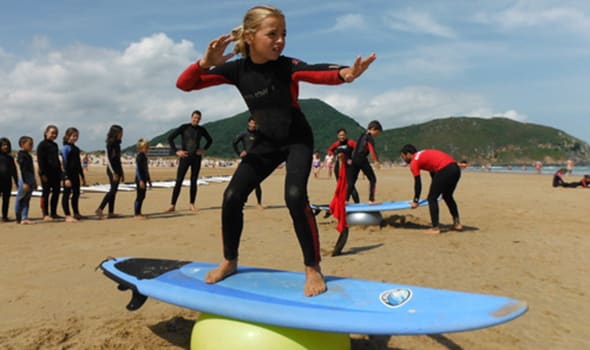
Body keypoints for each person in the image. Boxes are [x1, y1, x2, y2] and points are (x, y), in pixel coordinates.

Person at [176, 5, 375, 296]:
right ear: (250, 36)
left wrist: (345, 73)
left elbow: (315, 70)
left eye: (283, 34)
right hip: (266, 142)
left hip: (297, 138)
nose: (280, 40)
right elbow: (185, 84)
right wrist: (204, 62)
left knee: (294, 197)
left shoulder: (285, 66)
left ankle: (312, 268)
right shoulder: (236, 69)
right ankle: (230, 261)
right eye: (273, 34)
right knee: (232, 196)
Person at [400, 144, 463, 235]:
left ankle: (435, 228)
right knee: (447, 196)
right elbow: (433, 172)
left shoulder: (414, 161)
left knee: (432, 199)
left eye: (403, 157)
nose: (403, 159)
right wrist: (436, 189)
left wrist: (415, 200)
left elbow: (418, 183)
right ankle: (457, 224)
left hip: (444, 169)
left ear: (409, 154)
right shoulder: (422, 154)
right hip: (455, 168)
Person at [167, 110, 213, 212]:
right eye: (195, 117)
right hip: (185, 157)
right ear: (191, 117)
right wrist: (176, 151)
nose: (196, 119)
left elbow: (210, 140)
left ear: (200, 119)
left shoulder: (201, 129)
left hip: (196, 158)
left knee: (193, 181)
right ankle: (172, 205)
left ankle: (192, 204)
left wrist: (203, 149)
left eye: (198, 118)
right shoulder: (184, 127)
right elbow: (170, 138)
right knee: (179, 181)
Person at [232, 116, 263, 208]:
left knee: (257, 182)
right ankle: (243, 201)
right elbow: (234, 143)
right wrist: (239, 153)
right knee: (244, 181)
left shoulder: (259, 134)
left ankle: (259, 203)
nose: (253, 125)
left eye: (255, 123)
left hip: (257, 160)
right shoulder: (244, 134)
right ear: (249, 123)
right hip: (246, 161)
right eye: (252, 123)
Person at [348, 121, 382, 204]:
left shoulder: (362, 135)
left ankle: (345, 200)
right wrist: (376, 161)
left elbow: (356, 148)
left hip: (354, 158)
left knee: (352, 181)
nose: (377, 135)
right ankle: (371, 200)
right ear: (373, 129)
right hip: (361, 158)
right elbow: (371, 149)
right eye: (377, 133)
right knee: (372, 179)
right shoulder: (369, 137)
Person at [95, 125, 124, 219]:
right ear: (115, 133)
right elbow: (109, 160)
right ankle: (100, 208)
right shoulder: (110, 144)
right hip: (112, 170)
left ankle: (111, 212)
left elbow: (118, 160)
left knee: (114, 190)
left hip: (117, 169)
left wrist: (121, 172)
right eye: (120, 133)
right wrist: (114, 172)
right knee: (112, 190)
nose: (122, 135)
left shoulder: (117, 144)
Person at [37, 125, 63, 221]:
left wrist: (61, 173)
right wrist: (42, 174)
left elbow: (56, 160)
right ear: (46, 133)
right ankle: (45, 214)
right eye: (52, 133)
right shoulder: (42, 145)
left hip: (55, 173)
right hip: (46, 174)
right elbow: (40, 160)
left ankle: (53, 212)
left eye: (56, 133)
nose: (54, 135)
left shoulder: (55, 145)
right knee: (46, 193)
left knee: (56, 193)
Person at [61, 127, 87, 222]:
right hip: (68, 175)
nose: (75, 138)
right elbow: (64, 164)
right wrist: (66, 177)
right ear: (68, 136)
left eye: (77, 136)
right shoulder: (65, 148)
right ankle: (67, 215)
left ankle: (76, 213)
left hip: (75, 175)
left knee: (76, 194)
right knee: (66, 194)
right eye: (73, 136)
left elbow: (78, 164)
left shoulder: (76, 148)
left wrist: (82, 177)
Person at [327, 128, 359, 203]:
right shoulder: (336, 144)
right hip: (339, 167)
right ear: (338, 136)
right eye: (340, 135)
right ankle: (342, 202)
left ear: (346, 135)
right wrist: (333, 155)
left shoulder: (350, 142)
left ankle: (357, 204)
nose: (342, 137)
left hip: (349, 167)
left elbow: (358, 150)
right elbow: (330, 150)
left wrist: (352, 159)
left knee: (350, 185)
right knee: (340, 186)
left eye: (343, 135)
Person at [15, 136, 37, 224]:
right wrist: (24, 182)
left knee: (27, 200)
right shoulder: (21, 155)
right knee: (20, 199)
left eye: (32, 144)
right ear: (22, 144)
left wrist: (34, 182)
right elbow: (21, 169)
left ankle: (24, 217)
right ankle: (19, 218)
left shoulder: (28, 155)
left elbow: (31, 170)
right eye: (30, 144)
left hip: (29, 180)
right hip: (24, 181)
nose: (32, 146)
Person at [0, 138, 18, 222]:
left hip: (7, 182)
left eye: (7, 145)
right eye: (3, 145)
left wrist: (17, 182)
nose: (5, 147)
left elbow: (13, 170)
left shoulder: (10, 158)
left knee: (6, 200)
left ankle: (4, 216)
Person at [134, 139, 152, 220]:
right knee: (139, 196)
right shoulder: (139, 157)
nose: (147, 149)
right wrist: (140, 180)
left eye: (148, 147)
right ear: (140, 148)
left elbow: (146, 169)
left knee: (143, 196)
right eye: (146, 147)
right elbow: (137, 169)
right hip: (139, 179)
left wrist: (149, 180)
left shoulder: (144, 157)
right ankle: (136, 214)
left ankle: (139, 212)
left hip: (144, 179)